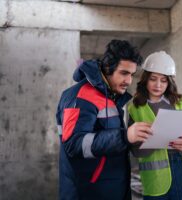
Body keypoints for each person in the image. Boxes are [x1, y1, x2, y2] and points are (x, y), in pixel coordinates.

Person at [56, 40, 153, 200]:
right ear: (108, 69)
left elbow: (109, 142)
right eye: (124, 73)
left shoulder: (111, 96)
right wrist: (125, 136)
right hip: (87, 193)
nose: (129, 81)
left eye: (131, 74)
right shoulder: (80, 95)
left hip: (112, 190)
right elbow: (74, 144)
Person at [128, 51, 182, 200]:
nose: (158, 85)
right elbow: (135, 151)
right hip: (155, 179)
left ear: (169, 82)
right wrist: (152, 141)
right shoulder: (135, 108)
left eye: (163, 80)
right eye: (153, 79)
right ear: (145, 79)